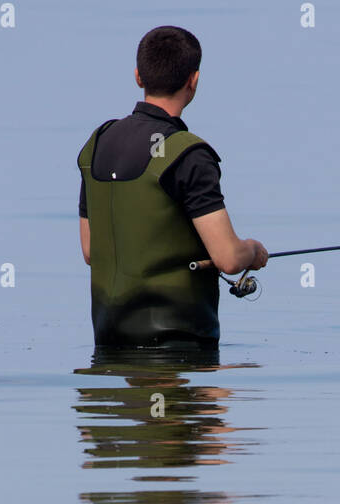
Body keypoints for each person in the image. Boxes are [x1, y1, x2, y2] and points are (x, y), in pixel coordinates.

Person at [77, 26, 267, 350]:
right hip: (177, 343)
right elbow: (229, 259)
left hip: (109, 338)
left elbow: (91, 251)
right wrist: (253, 250)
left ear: (138, 76)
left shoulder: (98, 142)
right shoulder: (188, 154)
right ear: (194, 80)